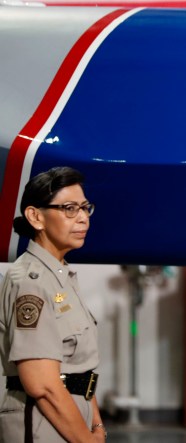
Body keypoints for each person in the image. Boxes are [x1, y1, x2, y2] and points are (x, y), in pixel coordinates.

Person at [0, 166, 106, 442]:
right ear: (36, 217)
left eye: (85, 208)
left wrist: (97, 427)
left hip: (71, 417)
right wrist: (85, 439)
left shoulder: (61, 276)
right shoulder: (31, 282)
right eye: (70, 209)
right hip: (42, 422)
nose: (83, 218)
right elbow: (42, 384)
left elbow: (81, 368)